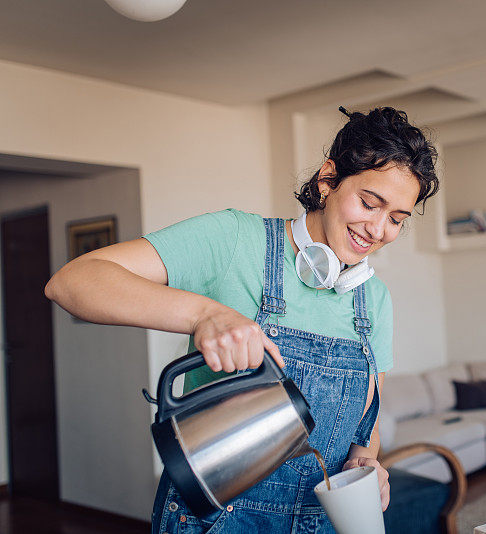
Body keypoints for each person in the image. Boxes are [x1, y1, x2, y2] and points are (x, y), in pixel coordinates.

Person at [44, 106, 439, 533]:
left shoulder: (373, 299)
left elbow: (366, 425)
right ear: (327, 180)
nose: (378, 230)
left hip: (321, 522)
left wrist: (367, 460)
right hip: (218, 518)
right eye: (369, 203)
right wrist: (203, 314)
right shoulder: (235, 240)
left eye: (396, 219)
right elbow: (71, 283)